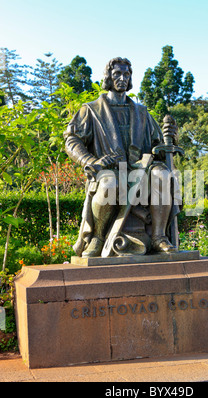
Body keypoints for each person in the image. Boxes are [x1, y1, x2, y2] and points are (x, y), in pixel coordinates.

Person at [64, 57, 178, 257]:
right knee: (109, 184)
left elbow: (157, 147)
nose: (122, 78)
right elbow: (72, 140)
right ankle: (98, 238)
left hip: (141, 169)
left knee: (162, 173)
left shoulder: (142, 112)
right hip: (110, 170)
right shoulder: (91, 110)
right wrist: (91, 161)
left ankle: (159, 237)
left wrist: (170, 141)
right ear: (108, 76)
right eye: (117, 73)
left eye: (127, 74)